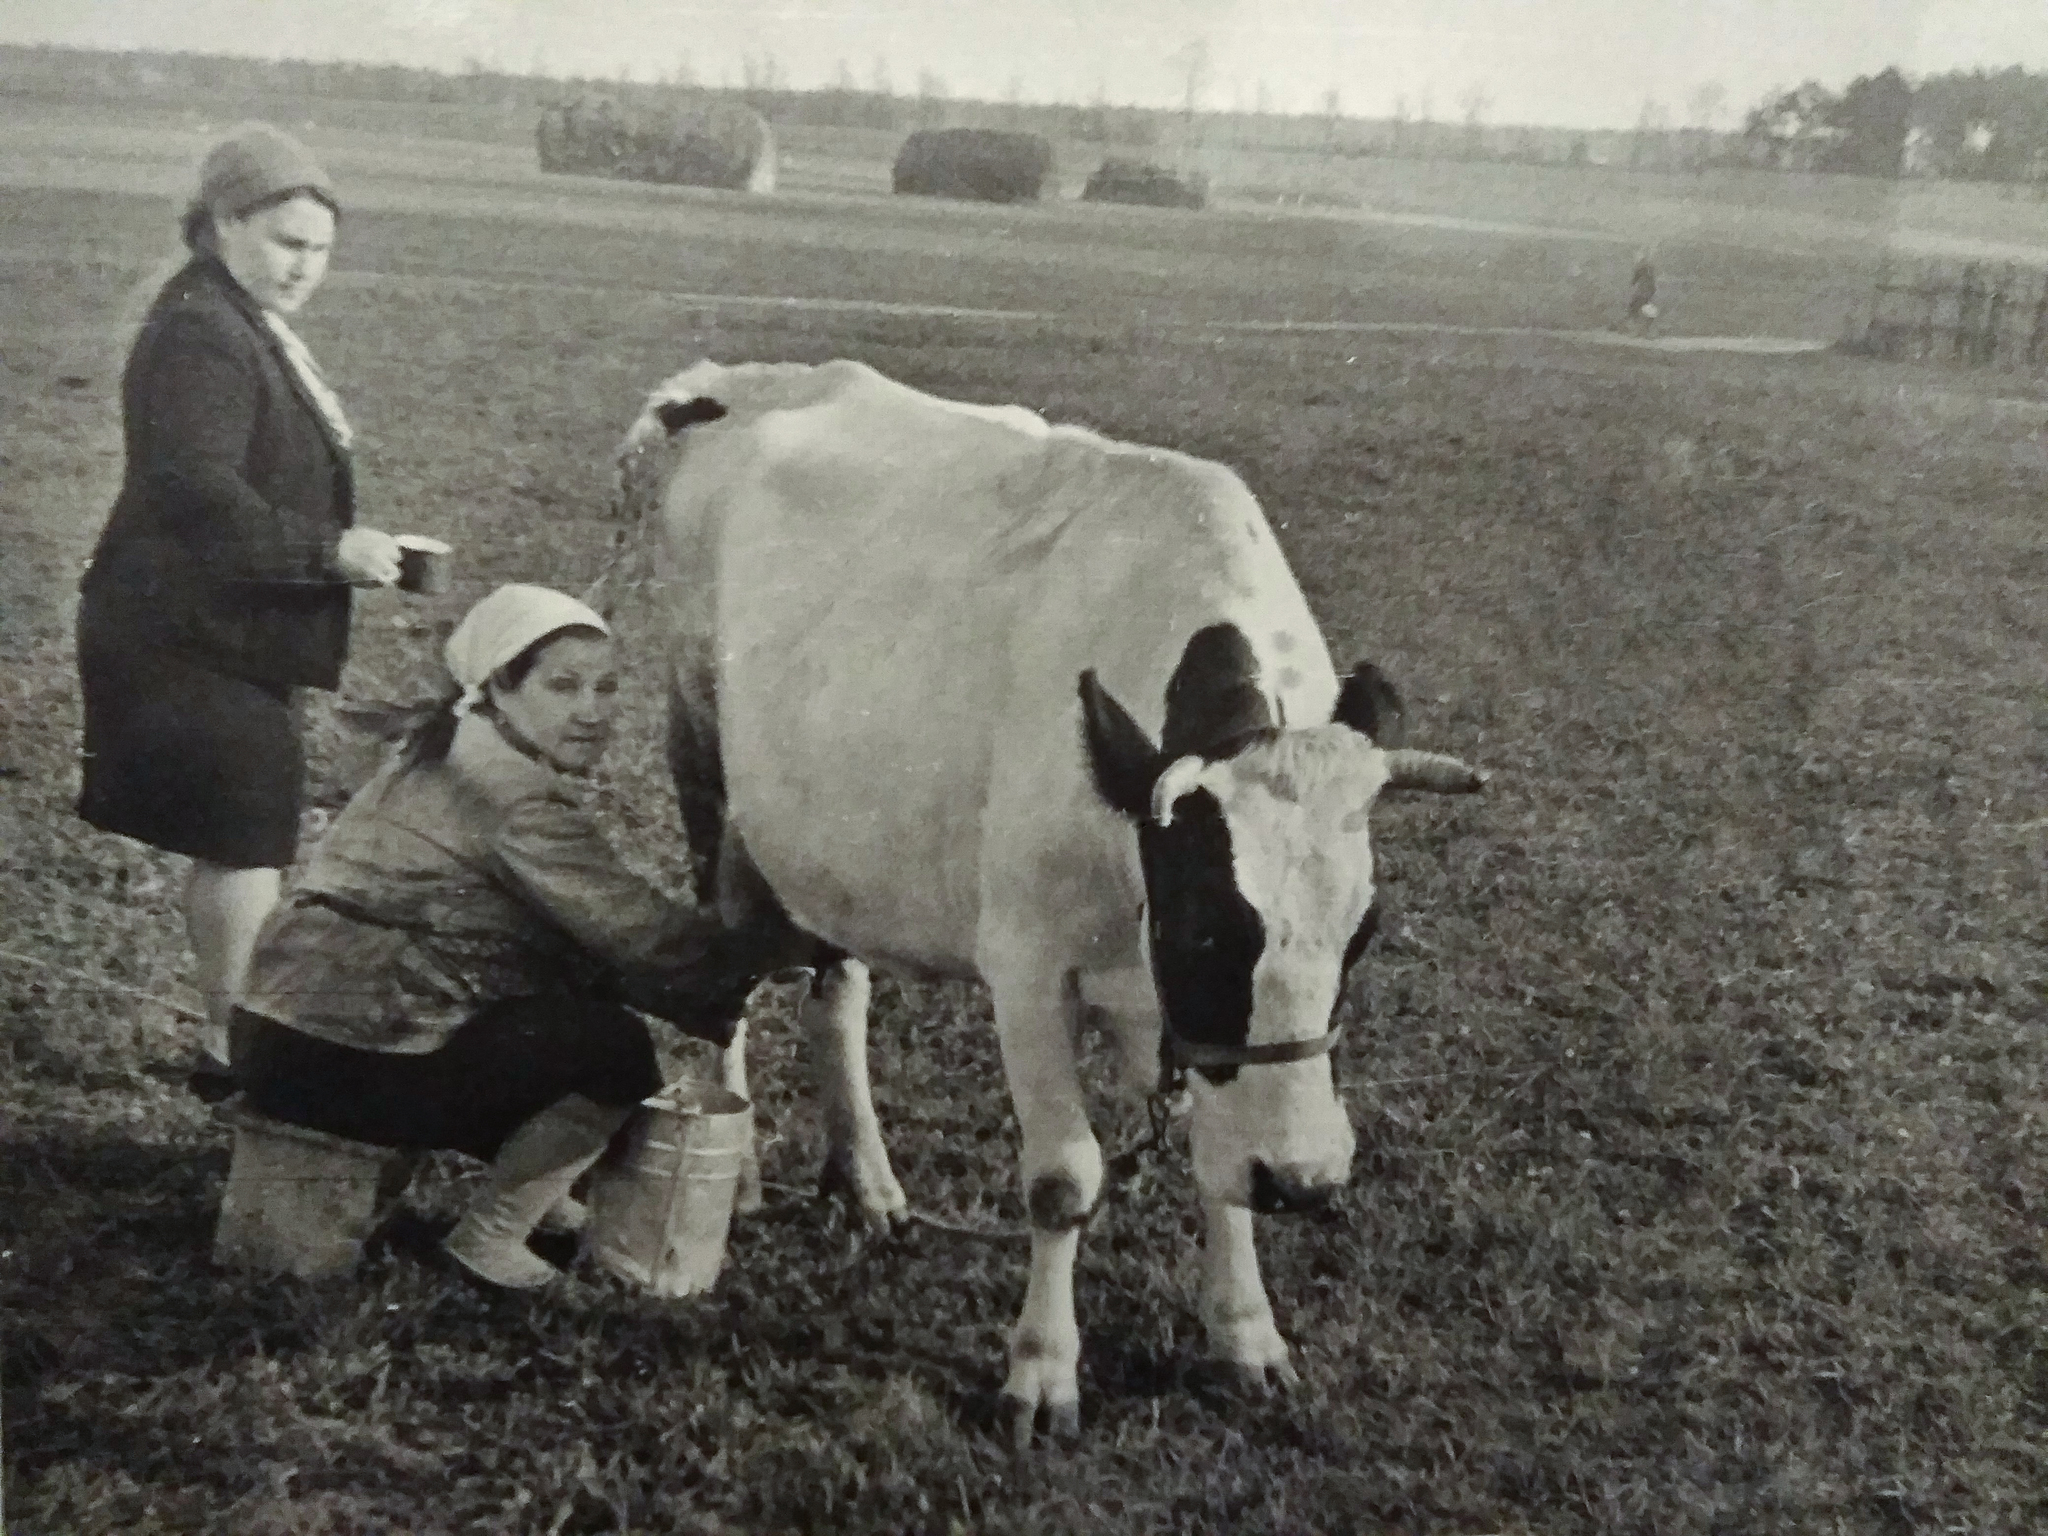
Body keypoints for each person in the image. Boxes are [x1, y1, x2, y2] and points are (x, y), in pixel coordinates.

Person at [231, 585, 808, 1289]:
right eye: (563, 687)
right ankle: (489, 1238)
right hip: (340, 1054)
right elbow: (641, 937)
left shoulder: (438, 749)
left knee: (548, 1008)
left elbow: (556, 939)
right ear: (500, 686)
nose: (592, 712)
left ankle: (536, 1192)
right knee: (610, 1051)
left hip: (274, 1033)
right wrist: (766, 945)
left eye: (606, 688)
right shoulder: (513, 798)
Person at [74, 124, 406, 1090]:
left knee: (247, 836)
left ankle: (236, 1044)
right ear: (221, 223)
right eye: (287, 243)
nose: (306, 268)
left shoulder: (231, 315)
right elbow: (196, 494)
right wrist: (327, 553)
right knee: (244, 842)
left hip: (215, 626)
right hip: (181, 635)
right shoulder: (201, 334)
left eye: (321, 251)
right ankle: (239, 1052)